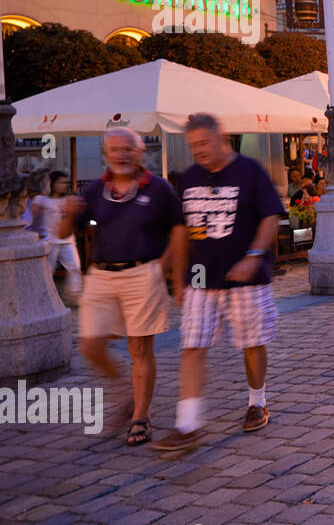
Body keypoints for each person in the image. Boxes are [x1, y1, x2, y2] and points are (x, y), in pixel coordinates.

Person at [152, 114, 285, 452]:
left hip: (247, 281)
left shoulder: (250, 171)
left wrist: (253, 255)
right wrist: (178, 278)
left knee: (251, 343)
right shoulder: (189, 178)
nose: (198, 151)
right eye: (193, 145)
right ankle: (188, 425)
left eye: (203, 143)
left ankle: (257, 401)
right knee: (193, 346)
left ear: (221, 138)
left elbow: (271, 216)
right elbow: (181, 230)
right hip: (201, 280)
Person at [59, 128, 185, 447]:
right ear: (106, 154)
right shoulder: (94, 189)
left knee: (140, 348)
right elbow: (64, 231)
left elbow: (179, 230)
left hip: (143, 272)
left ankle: (140, 415)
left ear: (140, 152)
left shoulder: (158, 188)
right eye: (114, 149)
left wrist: (166, 268)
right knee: (90, 345)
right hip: (101, 275)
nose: (121, 154)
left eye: (128, 148)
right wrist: (67, 213)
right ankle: (126, 395)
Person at [32, 170, 83, 301]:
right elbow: (34, 219)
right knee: (48, 271)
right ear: (53, 184)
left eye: (66, 182)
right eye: (61, 182)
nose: (64, 185)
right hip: (50, 241)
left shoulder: (68, 200)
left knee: (75, 268)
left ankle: (75, 296)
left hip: (67, 240)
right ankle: (44, 297)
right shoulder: (42, 200)